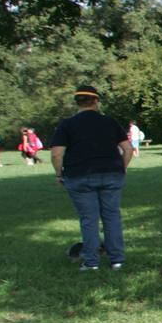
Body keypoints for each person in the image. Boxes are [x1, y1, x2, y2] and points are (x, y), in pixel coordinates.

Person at [49, 84, 132, 271]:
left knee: (89, 219)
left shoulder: (67, 125)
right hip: (111, 173)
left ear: (77, 102)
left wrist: (59, 174)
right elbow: (128, 149)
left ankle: (91, 262)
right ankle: (117, 260)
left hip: (79, 176)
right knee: (112, 216)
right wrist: (121, 167)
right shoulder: (110, 122)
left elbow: (56, 154)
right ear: (96, 101)